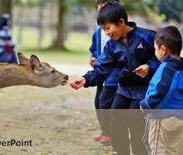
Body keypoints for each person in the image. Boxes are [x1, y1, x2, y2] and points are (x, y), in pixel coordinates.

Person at [70, 2, 160, 155]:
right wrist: (86, 79)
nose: (106, 33)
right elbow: (101, 69)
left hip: (143, 92)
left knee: (137, 129)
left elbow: (163, 59)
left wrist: (149, 66)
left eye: (108, 28)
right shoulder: (112, 46)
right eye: (103, 29)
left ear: (121, 22)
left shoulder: (147, 36)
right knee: (116, 127)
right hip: (123, 90)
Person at [140, 26, 183, 155]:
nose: (155, 52)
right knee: (173, 150)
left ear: (163, 49)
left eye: (155, 49)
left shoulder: (167, 68)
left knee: (158, 149)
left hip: (162, 118)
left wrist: (146, 105)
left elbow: (161, 91)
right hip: (179, 118)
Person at [89, 0, 120, 145]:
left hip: (114, 76)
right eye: (100, 10)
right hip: (100, 74)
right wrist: (93, 58)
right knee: (98, 102)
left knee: (107, 102)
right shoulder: (98, 32)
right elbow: (94, 49)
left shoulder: (119, 31)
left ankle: (112, 133)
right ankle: (105, 131)